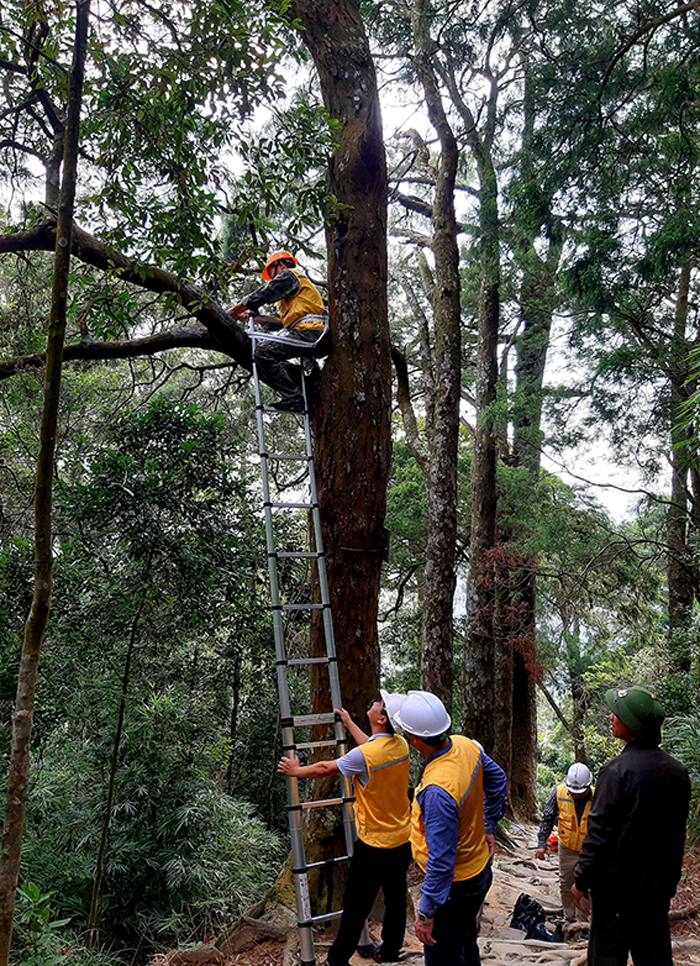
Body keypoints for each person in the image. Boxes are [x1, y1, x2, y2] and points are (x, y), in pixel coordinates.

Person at [279, 691, 411, 966]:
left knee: (355, 905)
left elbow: (327, 767)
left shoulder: (365, 756)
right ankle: (389, 952)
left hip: (374, 844)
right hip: (401, 838)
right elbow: (372, 748)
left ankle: (336, 961)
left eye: (378, 704)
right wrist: (350, 723)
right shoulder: (401, 745)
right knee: (396, 899)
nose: (374, 702)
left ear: (382, 718)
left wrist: (297, 770)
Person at [571, 686, 691, 966]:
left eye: (618, 714)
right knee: (654, 957)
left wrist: (581, 879)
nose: (611, 717)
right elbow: (677, 836)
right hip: (657, 891)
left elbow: (598, 835)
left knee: (607, 958)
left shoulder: (617, 772)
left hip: (615, 894)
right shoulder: (677, 773)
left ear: (634, 727)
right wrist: (668, 884)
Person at [393, 691, 507, 966]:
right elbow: (498, 779)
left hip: (454, 888)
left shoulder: (437, 791)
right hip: (478, 870)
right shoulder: (467, 746)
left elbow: (441, 863)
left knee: (444, 955)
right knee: (466, 945)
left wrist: (426, 915)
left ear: (415, 739)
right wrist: (488, 825)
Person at [228, 250, 327, 412]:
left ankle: (293, 398)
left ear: (279, 265)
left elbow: (266, 292)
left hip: (310, 332)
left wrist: (235, 309)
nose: (273, 278)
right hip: (310, 334)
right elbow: (280, 323)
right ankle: (311, 372)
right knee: (281, 357)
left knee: (262, 353)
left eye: (272, 273)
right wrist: (251, 317)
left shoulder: (290, 275)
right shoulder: (295, 297)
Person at [535, 762, 594, 922]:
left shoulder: (598, 796)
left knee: (586, 886)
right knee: (566, 884)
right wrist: (542, 844)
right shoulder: (559, 793)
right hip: (566, 848)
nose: (576, 795)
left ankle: (582, 922)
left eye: (580, 792)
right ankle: (569, 918)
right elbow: (547, 817)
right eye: (573, 792)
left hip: (589, 850)